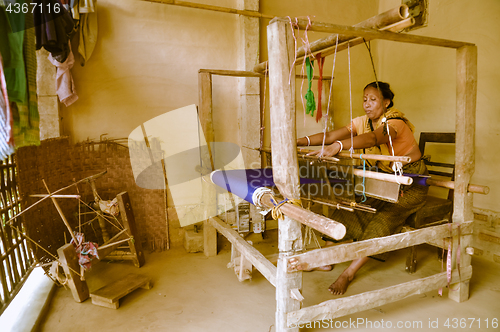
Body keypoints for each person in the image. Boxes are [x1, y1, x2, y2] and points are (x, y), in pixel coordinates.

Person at [295, 81, 428, 295]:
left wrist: (340, 146)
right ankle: (324, 259)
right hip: (385, 180)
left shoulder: (395, 123)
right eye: (365, 99)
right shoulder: (363, 122)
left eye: (373, 99)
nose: (367, 104)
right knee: (352, 208)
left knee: (383, 220)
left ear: (386, 102)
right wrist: (297, 142)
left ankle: (349, 272)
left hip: (410, 185)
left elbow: (375, 138)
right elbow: (330, 136)